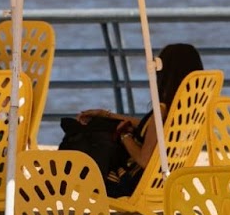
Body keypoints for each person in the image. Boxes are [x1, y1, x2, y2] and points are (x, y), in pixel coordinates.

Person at [71, 42, 204, 198]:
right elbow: (149, 129)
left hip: (129, 183)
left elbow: (144, 160)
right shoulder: (188, 111)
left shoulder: (161, 112)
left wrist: (124, 135)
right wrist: (108, 115)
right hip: (164, 183)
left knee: (78, 158)